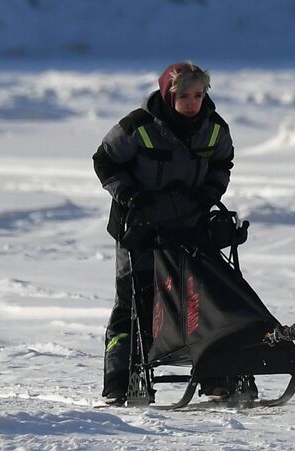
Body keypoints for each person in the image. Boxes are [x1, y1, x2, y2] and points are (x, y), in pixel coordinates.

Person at [92, 61, 250, 405]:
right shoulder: (139, 125)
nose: (192, 102)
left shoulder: (214, 128)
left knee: (200, 299)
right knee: (135, 301)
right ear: (168, 94)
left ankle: (215, 376)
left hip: (189, 227)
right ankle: (119, 380)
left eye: (199, 94)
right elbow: (104, 161)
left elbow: (223, 165)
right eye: (184, 95)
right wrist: (131, 196)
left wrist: (208, 194)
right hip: (139, 228)